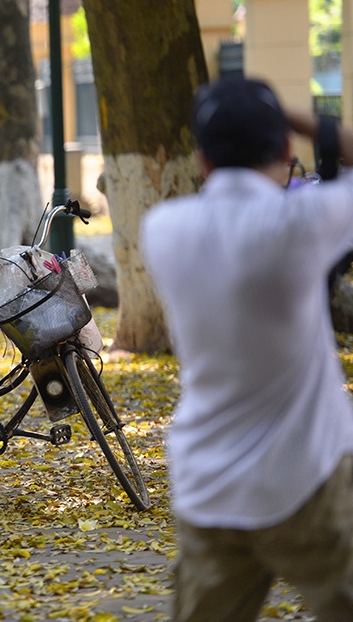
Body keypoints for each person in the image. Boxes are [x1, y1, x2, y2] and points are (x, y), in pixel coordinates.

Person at [140, 77, 353, 622]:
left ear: (202, 159)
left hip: (208, 486)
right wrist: (315, 125)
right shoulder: (300, 222)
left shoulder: (163, 229)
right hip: (308, 479)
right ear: (285, 150)